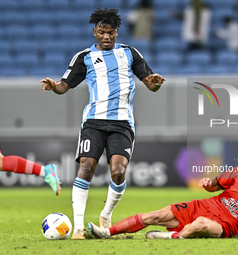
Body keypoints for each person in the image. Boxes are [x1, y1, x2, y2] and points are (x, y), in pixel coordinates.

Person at [41, 8, 166, 240]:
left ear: (117, 32)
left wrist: (156, 83)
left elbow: (150, 83)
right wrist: (53, 86)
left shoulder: (130, 53)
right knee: (86, 166)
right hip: (93, 122)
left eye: (110, 32)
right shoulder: (84, 57)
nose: (106, 36)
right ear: (94, 32)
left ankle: (106, 214)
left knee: (118, 172)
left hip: (122, 123)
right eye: (101, 32)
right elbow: (64, 86)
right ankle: (78, 228)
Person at [87, 137, 238, 240]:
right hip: (206, 205)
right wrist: (208, 184)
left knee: (200, 225)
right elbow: (215, 186)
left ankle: (170, 237)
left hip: (228, 225)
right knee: (156, 215)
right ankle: (106, 232)